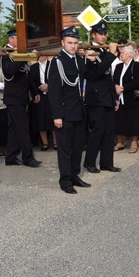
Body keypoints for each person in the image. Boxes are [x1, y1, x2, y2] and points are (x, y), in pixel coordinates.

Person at [48, 26, 90, 193]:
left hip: (79, 111)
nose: (73, 46)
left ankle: (74, 175)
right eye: (70, 42)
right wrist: (57, 115)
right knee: (65, 148)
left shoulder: (78, 60)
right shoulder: (57, 62)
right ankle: (65, 180)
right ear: (62, 42)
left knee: (77, 146)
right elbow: (54, 91)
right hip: (65, 113)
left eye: (75, 43)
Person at [82, 20, 120, 173]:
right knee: (97, 131)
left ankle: (106, 162)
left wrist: (114, 98)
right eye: (100, 34)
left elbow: (108, 77)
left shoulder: (104, 52)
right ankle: (90, 162)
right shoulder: (90, 50)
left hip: (107, 98)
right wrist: (111, 54)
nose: (103, 37)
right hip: (96, 99)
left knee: (109, 132)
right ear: (94, 35)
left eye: (105, 34)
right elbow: (98, 72)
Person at [1, 29, 41, 168]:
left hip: (22, 96)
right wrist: (21, 56)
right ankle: (28, 157)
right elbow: (10, 71)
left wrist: (34, 91)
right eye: (19, 38)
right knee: (23, 127)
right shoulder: (5, 53)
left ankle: (11, 156)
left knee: (14, 128)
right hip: (13, 97)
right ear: (11, 39)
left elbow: (26, 75)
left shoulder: (18, 53)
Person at [113, 45, 139, 154]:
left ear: (130, 54)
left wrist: (124, 88)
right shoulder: (118, 66)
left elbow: (138, 82)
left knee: (133, 120)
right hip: (119, 98)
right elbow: (114, 80)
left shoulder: (136, 66)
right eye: (120, 53)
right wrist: (116, 86)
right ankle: (120, 141)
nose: (120, 54)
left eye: (123, 53)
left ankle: (134, 142)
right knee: (119, 120)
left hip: (132, 98)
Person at [29, 55, 55, 151]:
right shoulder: (33, 67)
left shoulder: (52, 65)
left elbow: (56, 78)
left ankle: (56, 142)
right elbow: (31, 82)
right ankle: (45, 143)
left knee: (53, 118)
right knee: (40, 119)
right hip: (39, 95)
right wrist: (36, 92)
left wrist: (48, 85)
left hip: (51, 95)